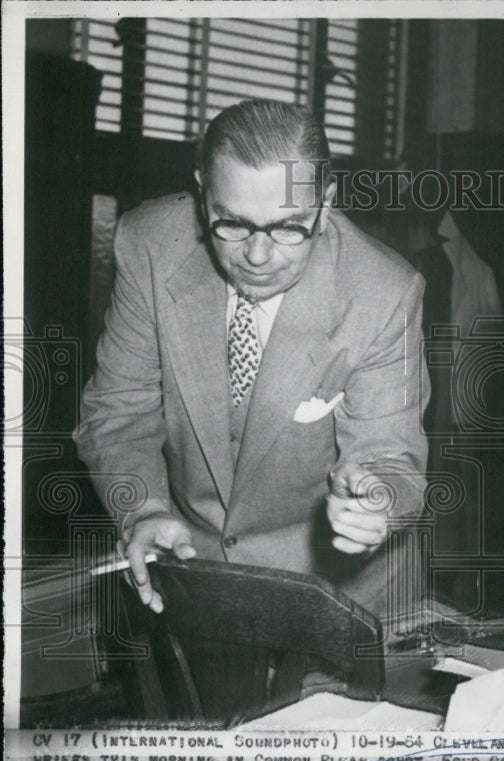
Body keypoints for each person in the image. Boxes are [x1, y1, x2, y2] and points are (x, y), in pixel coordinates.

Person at [74, 99, 430, 618]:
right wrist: (143, 512)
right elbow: (117, 412)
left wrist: (377, 499)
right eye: (232, 224)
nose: (258, 258)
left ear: (326, 206)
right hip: (196, 576)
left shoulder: (384, 293)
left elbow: (391, 459)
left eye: (289, 227)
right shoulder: (149, 244)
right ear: (202, 194)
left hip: (349, 597)